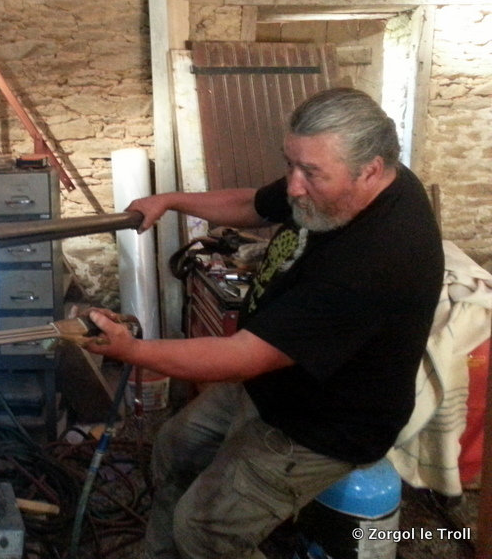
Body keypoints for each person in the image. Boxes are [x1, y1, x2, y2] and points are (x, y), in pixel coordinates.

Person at [84, 87, 445, 559]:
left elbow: (242, 356)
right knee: (175, 447)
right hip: (276, 384)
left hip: (323, 425)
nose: (294, 186)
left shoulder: (380, 258)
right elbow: (254, 204)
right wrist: (169, 200)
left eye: (311, 173)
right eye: (290, 164)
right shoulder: (339, 180)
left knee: (205, 529)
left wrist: (132, 351)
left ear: (371, 170)